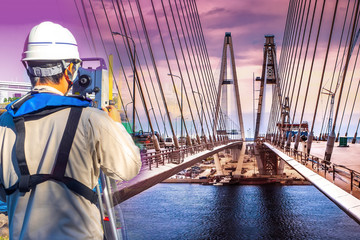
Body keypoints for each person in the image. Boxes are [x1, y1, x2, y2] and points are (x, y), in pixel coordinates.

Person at [0, 21, 141, 239]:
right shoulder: (92, 119)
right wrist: (115, 125)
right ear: (69, 70)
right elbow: (129, 168)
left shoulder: (5, 123)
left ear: (27, 66)